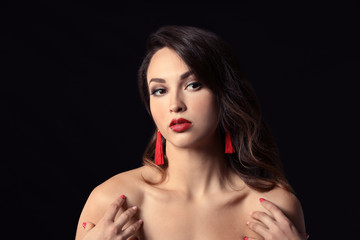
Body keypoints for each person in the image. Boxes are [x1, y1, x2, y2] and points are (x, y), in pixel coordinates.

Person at [75, 25, 308, 240]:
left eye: (193, 85)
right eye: (159, 90)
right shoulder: (114, 201)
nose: (175, 104)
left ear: (224, 96)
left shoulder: (272, 207)